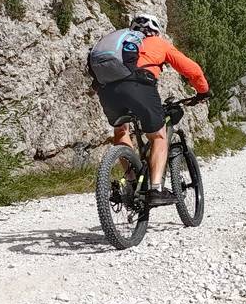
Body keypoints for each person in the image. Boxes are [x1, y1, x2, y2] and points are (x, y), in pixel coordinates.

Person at [90, 13, 211, 207]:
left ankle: (131, 183)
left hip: (107, 90)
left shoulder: (120, 42)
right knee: (158, 136)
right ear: (155, 31)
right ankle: (156, 189)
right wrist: (203, 91)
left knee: (121, 130)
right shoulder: (158, 43)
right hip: (138, 87)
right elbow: (192, 70)